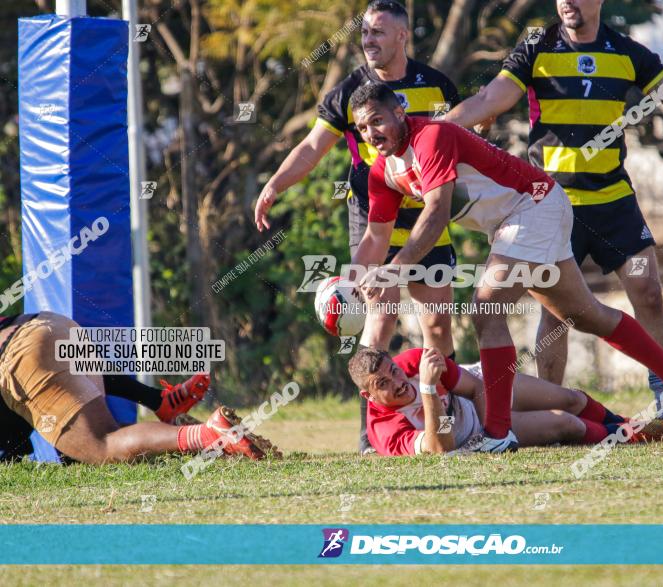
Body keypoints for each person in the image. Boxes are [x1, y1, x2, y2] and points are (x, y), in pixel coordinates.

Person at [443, 0, 663, 437]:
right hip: (551, 206)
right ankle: (550, 415)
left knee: (647, 291)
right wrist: (436, 133)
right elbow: (492, 98)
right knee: (557, 316)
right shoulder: (537, 46)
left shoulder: (626, 51)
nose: (566, 2)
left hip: (613, 202)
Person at [347, 81, 663, 453]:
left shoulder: (431, 137)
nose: (371, 134)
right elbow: (375, 236)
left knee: (486, 309)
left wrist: (396, 268)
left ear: (400, 113)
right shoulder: (382, 172)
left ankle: (498, 434)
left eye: (377, 121)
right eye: (362, 129)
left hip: (533, 207)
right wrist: (350, 282)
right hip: (520, 219)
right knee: (586, 316)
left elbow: (435, 215)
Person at [253, 0, 466, 454]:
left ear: (402, 37)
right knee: (379, 323)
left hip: (430, 217)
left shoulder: (436, 84)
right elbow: (312, 147)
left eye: (378, 33)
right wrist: (275, 183)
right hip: (374, 221)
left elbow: (466, 129)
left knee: (438, 328)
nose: (368, 41)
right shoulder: (347, 92)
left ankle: (453, 423)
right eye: (365, 33)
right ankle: (372, 436)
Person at [0, 312, 273, 463]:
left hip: (20, 353)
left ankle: (208, 434)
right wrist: (150, 398)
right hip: (51, 324)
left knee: (103, 445)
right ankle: (161, 401)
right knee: (87, 450)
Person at [349, 346, 663, 456]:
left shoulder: (415, 361)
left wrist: (499, 426)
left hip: (479, 394)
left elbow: (477, 388)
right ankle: (644, 434)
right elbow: (439, 448)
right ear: (368, 395)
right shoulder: (384, 431)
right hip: (470, 435)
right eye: (384, 384)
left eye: (394, 371)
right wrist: (431, 392)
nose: (398, 382)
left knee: (571, 398)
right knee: (565, 422)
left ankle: (632, 424)